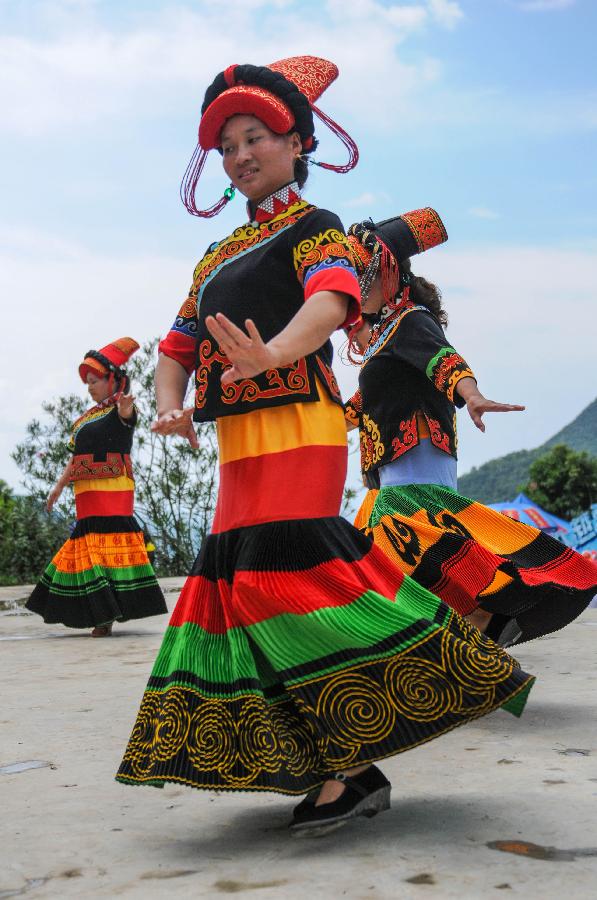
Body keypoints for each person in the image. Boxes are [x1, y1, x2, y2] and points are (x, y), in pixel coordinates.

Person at [115, 57, 534, 835]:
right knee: (239, 589)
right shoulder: (213, 258)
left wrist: (274, 352)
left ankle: (439, 682)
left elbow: (331, 301)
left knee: (286, 576)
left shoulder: (319, 228)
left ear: (295, 142)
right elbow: (175, 347)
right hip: (238, 438)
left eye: (256, 137)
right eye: (228, 144)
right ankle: (342, 768)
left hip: (298, 421)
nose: (240, 154)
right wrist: (169, 408)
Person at [344, 209, 597, 647]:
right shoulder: (384, 337)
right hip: (391, 468)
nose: (354, 285)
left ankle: (482, 616)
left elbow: (445, 360)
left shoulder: (411, 321)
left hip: (416, 455)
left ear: (387, 273)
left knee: (408, 537)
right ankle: (469, 627)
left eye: (361, 273)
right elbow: (361, 407)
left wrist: (471, 394)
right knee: (392, 547)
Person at [26, 338, 167, 637]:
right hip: (86, 492)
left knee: (106, 547)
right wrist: (58, 487)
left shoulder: (121, 410)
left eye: (95, 380)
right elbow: (75, 458)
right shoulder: (84, 420)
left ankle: (105, 617)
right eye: (87, 382)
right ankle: (99, 612)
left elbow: (127, 419)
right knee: (88, 546)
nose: (89, 387)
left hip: (113, 492)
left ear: (112, 380)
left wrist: (125, 407)